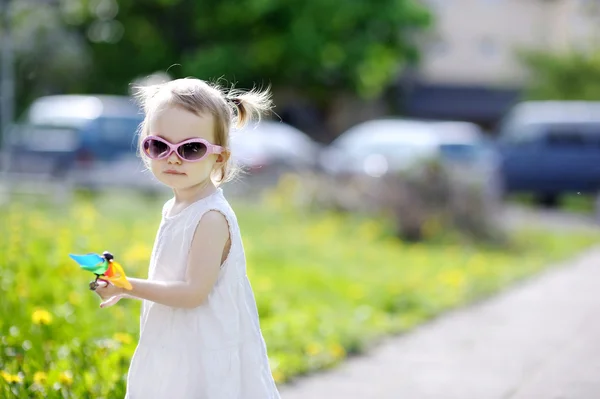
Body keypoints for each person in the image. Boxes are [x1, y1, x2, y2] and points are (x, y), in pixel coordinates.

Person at [94, 78, 281, 399]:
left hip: (202, 349)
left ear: (220, 157)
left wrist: (127, 286)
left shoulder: (210, 217)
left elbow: (193, 293)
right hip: (176, 341)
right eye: (159, 145)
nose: (174, 158)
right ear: (144, 147)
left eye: (191, 148)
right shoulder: (177, 206)